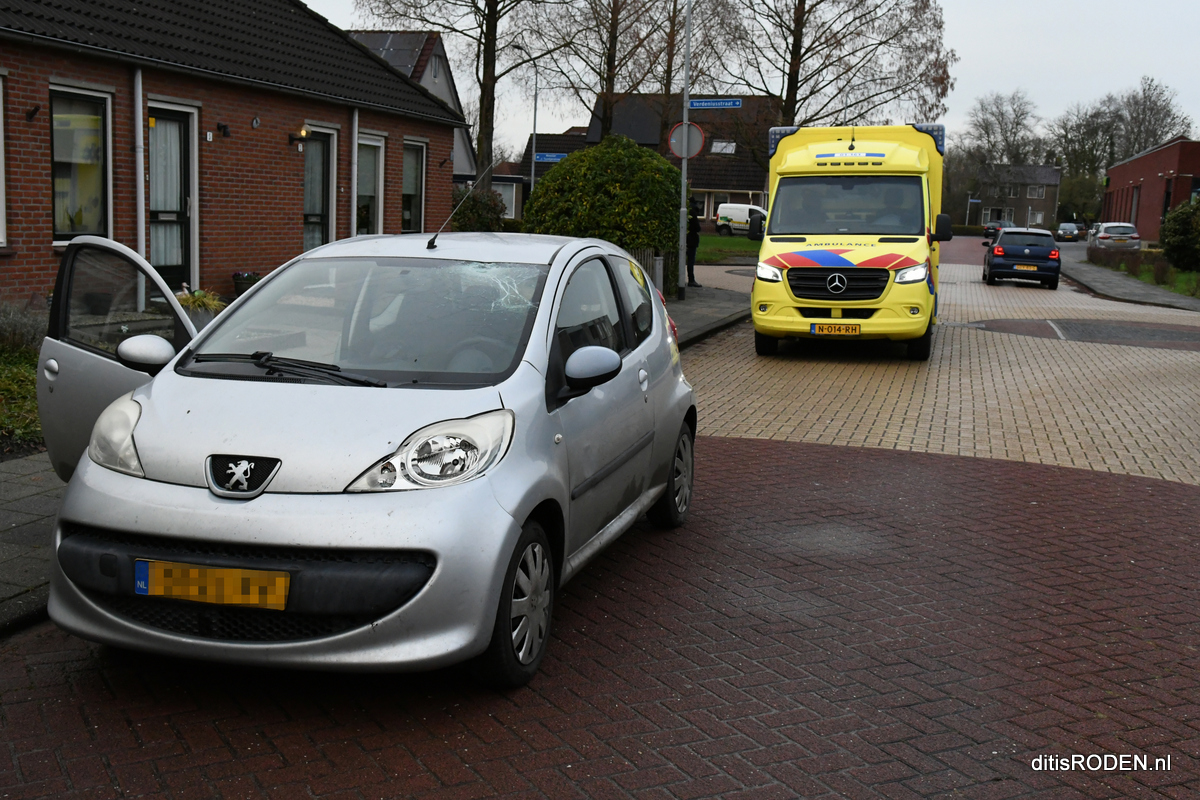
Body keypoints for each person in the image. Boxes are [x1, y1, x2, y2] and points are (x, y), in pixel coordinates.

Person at [686, 202, 702, 288]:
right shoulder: (693, 213)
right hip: (692, 240)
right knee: (690, 261)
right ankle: (691, 280)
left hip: (685, 239)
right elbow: (697, 228)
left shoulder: (687, 212)